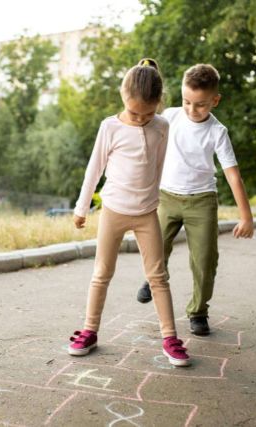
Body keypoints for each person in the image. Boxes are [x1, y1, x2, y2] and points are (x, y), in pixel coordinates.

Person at [67, 58, 190, 367]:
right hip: (113, 211)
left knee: (158, 276)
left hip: (147, 213)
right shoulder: (109, 127)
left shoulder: (162, 125)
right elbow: (93, 170)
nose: (139, 119)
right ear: (123, 96)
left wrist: (156, 200)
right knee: (101, 274)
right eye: (134, 112)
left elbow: (159, 166)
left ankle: (170, 337)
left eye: (147, 113)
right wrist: (82, 208)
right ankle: (90, 330)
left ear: (159, 105)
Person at [136, 64, 254, 336]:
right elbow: (143, 121)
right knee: (156, 247)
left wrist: (246, 216)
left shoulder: (218, 132)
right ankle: (153, 279)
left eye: (200, 105)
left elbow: (234, 176)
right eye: (186, 101)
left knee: (204, 260)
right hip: (166, 196)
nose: (191, 109)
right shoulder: (170, 116)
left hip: (202, 201)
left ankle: (198, 312)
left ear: (215, 100)